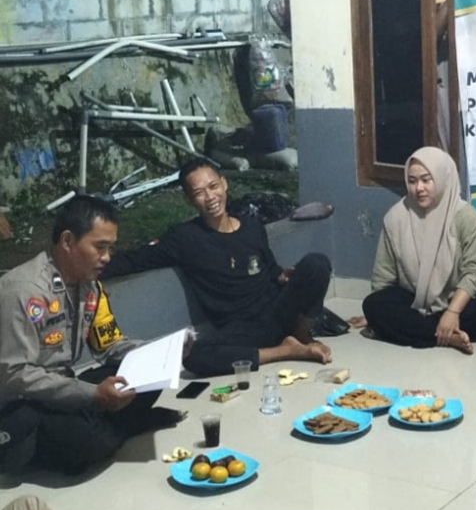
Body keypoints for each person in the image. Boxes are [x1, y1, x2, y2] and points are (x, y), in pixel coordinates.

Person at [0, 196, 183, 476]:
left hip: (62, 388)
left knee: (141, 380)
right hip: (19, 403)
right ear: (67, 241)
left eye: (110, 248)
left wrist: (161, 351)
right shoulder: (24, 291)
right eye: (100, 247)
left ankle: (104, 426)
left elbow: (109, 345)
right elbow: (15, 375)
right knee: (91, 443)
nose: (107, 257)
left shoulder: (88, 286)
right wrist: (92, 394)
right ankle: (113, 428)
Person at [101, 158, 333, 376]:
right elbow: (135, 260)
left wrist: (284, 276)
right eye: (199, 193)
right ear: (189, 200)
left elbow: (271, 270)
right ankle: (285, 351)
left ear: (224, 184)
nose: (210, 197)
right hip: (243, 328)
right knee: (194, 356)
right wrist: (92, 264)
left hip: (278, 309)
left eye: (213, 186)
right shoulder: (185, 238)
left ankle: (301, 332)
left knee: (317, 263)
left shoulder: (252, 226)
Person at [357, 147, 476, 354]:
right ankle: (447, 336)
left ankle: (426, 331)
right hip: (414, 301)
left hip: (454, 299)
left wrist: (452, 312)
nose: (418, 188)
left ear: (442, 178)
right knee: (373, 304)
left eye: (426, 180)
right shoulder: (396, 217)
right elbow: (383, 278)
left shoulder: (465, 217)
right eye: (412, 181)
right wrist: (375, 314)